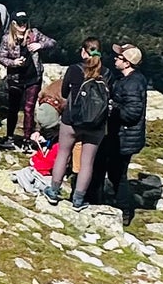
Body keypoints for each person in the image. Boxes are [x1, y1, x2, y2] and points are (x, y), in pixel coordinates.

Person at [40, 38, 111, 207]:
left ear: (83, 52)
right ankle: (78, 200)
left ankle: (54, 192)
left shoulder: (74, 69)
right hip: (96, 125)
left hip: (72, 120)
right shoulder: (107, 73)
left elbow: (64, 92)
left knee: (63, 154)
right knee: (87, 162)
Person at [103, 41, 149, 222]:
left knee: (117, 174)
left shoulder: (131, 84)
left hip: (124, 137)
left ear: (127, 63)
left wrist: (112, 106)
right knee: (115, 172)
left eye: (119, 57)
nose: (115, 58)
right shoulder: (132, 79)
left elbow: (132, 113)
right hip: (124, 136)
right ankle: (120, 204)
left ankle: (124, 210)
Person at [0, 12, 54, 147]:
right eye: (19, 22)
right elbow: (1, 57)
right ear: (13, 24)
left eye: (24, 21)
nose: (23, 25)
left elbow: (52, 42)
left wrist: (40, 46)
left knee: (29, 108)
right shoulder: (7, 38)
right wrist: (14, 63)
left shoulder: (34, 34)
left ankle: (27, 139)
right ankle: (9, 137)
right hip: (15, 78)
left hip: (33, 77)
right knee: (13, 108)